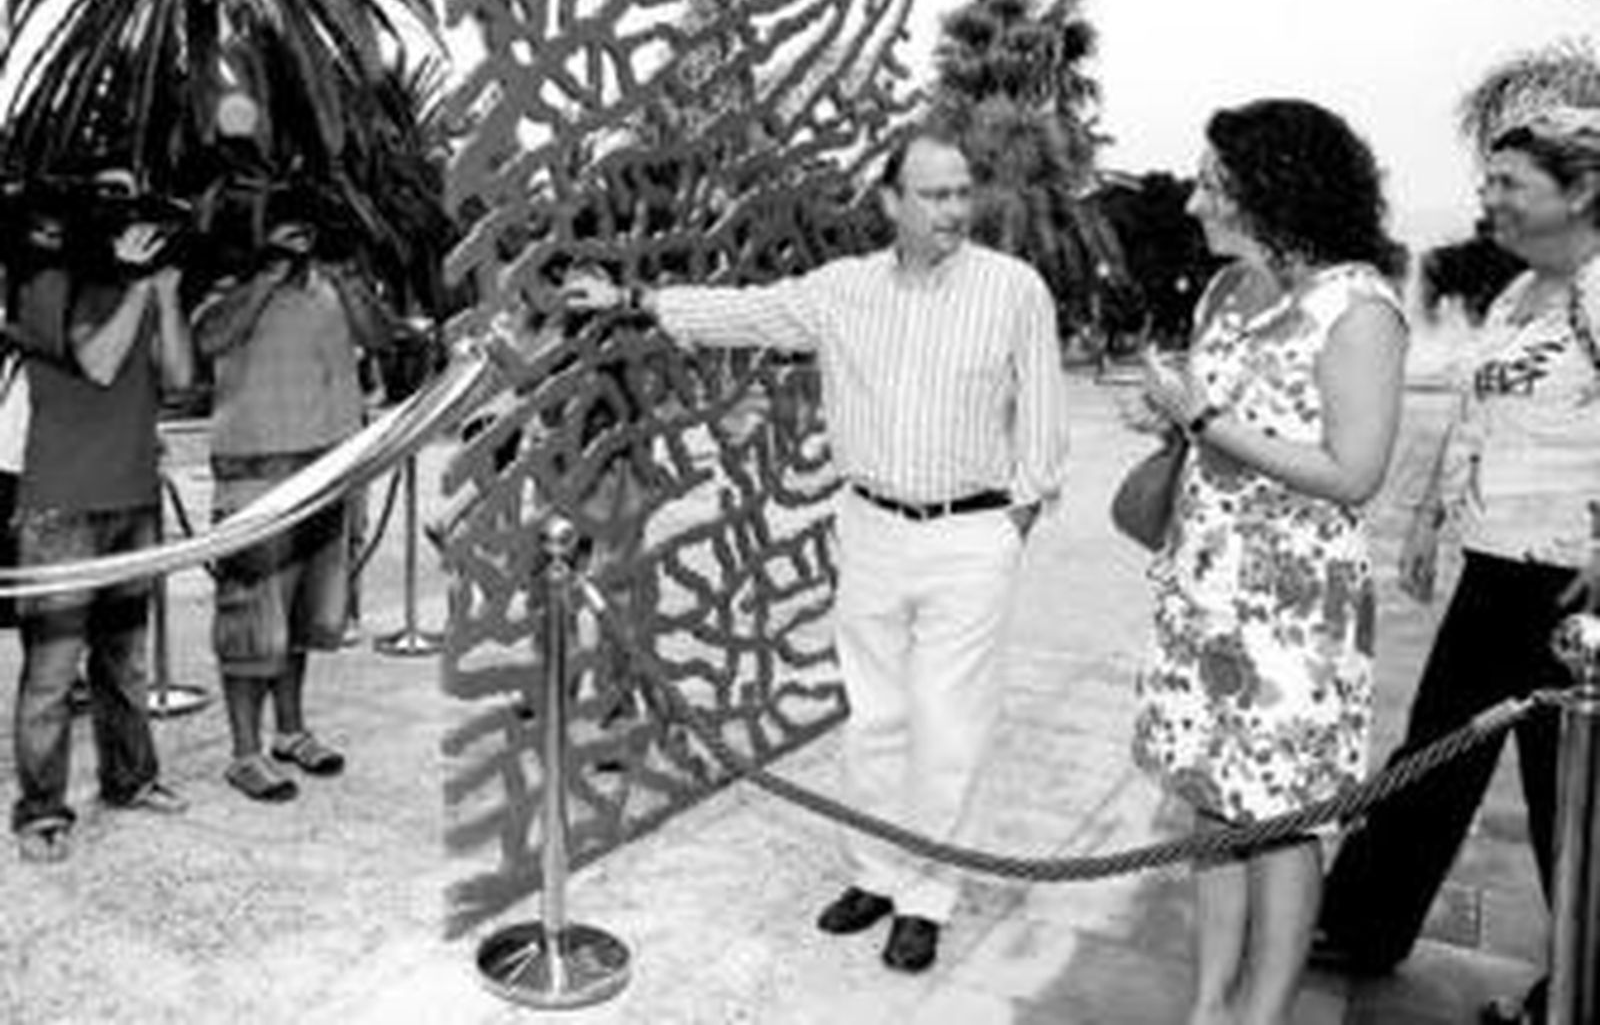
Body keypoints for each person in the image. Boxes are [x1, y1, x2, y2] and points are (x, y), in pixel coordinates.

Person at [563, 124, 1069, 973]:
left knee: (950, 727)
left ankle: (926, 898)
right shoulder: (841, 290)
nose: (955, 209)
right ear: (890, 204)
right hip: (868, 525)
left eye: (961, 191)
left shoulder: (1015, 289)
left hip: (970, 536)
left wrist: (1008, 526)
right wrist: (634, 301)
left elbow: (1045, 428)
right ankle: (875, 871)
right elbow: (747, 312)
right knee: (874, 718)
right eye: (934, 194)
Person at [1311, 101, 1600, 1025]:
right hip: (1495, 568)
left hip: (1569, 586)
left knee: (1574, 798)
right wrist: (1431, 516)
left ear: (1583, 189)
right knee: (1436, 751)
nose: (1491, 201)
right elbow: (1479, 414)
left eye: (1512, 183)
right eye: (1488, 183)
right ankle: (1363, 923)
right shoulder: (1522, 296)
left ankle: (1581, 991)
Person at [1132, 98, 1407, 1025]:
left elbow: (1355, 473)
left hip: (1295, 605)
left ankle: (1265, 1014)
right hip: (1204, 585)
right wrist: (1175, 412)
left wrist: (1210, 420)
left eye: (1212, 184)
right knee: (1215, 807)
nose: (1194, 203)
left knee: (1282, 823)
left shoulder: (1358, 309)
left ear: (1272, 189)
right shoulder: (1222, 293)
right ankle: (1208, 1004)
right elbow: (1219, 419)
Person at [9, 184, 196, 864]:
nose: (131, 220)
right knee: (53, 672)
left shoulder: (140, 289)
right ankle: (40, 811)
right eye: (111, 205)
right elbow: (98, 362)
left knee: (124, 662)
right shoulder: (42, 286)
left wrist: (167, 296)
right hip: (62, 506)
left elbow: (177, 378)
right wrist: (142, 287)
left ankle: (130, 778)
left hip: (133, 498)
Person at [193, 215, 394, 802]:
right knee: (250, 618)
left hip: (330, 470)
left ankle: (290, 731)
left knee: (306, 618)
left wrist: (351, 278)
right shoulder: (229, 285)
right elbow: (209, 340)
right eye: (286, 232)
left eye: (306, 232)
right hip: (256, 475)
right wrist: (265, 275)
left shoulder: (332, 286)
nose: (300, 242)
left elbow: (382, 338)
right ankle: (244, 753)